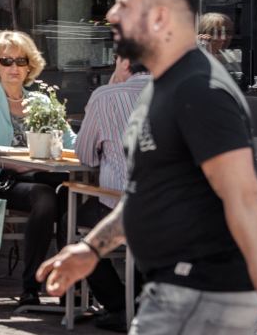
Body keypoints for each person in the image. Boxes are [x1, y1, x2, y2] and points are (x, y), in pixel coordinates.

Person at [36, 0, 257, 335]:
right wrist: (93, 248)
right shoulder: (160, 88)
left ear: (161, 17)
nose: (112, 14)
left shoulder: (201, 91)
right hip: (172, 291)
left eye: (126, 4)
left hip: (206, 295)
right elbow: (146, 192)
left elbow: (244, 199)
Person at [0, 29, 77, 308]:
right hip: (7, 182)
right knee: (45, 198)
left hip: (46, 177)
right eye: (7, 61)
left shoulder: (43, 102)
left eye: (21, 61)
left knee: (70, 196)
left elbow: (71, 141)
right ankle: (31, 287)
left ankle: (71, 284)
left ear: (30, 66)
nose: (14, 67)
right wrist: (4, 161)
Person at [73, 56, 152, 332]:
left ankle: (119, 305)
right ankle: (140, 302)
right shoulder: (181, 92)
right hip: (174, 205)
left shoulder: (105, 97)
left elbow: (85, 155)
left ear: (125, 61)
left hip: (120, 203)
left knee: (70, 221)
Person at [198, 11, 243, 81]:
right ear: (202, 34)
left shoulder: (236, 56)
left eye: (228, 33)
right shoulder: (193, 59)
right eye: (217, 33)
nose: (224, 38)